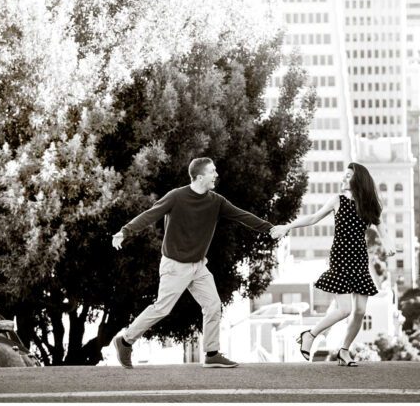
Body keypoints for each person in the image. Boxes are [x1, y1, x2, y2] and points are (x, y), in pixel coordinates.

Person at [111, 157, 273, 368]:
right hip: (175, 265)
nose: (216, 175)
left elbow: (242, 215)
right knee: (162, 308)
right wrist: (125, 231)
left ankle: (212, 353)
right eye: (212, 171)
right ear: (199, 177)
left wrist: (269, 228)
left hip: (197, 266)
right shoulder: (176, 197)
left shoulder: (216, 201)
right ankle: (125, 341)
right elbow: (150, 215)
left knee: (213, 305)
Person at [270, 161, 395, 366]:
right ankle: (310, 334)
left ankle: (344, 351)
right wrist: (288, 226)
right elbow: (312, 218)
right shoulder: (337, 200)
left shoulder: (369, 204)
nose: (343, 178)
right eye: (343, 175)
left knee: (361, 311)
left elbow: (383, 231)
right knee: (345, 309)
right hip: (340, 258)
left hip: (359, 260)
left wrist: (389, 245)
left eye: (348, 175)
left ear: (358, 179)